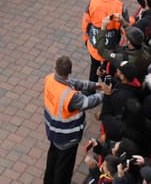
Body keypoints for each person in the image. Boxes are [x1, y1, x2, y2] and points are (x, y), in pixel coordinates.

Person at [42, 55, 110, 184]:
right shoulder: (71, 97)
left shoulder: (50, 79)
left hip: (53, 131)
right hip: (67, 137)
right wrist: (104, 94)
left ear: (55, 68)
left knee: (52, 160)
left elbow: (75, 83)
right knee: (63, 170)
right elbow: (88, 102)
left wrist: (97, 86)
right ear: (70, 71)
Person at [81, 0, 127, 82]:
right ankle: (107, 89)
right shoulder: (120, 7)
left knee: (94, 67)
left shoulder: (93, 2)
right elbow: (126, 30)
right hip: (110, 49)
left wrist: (86, 39)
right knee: (108, 70)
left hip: (94, 45)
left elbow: (86, 23)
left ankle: (90, 89)